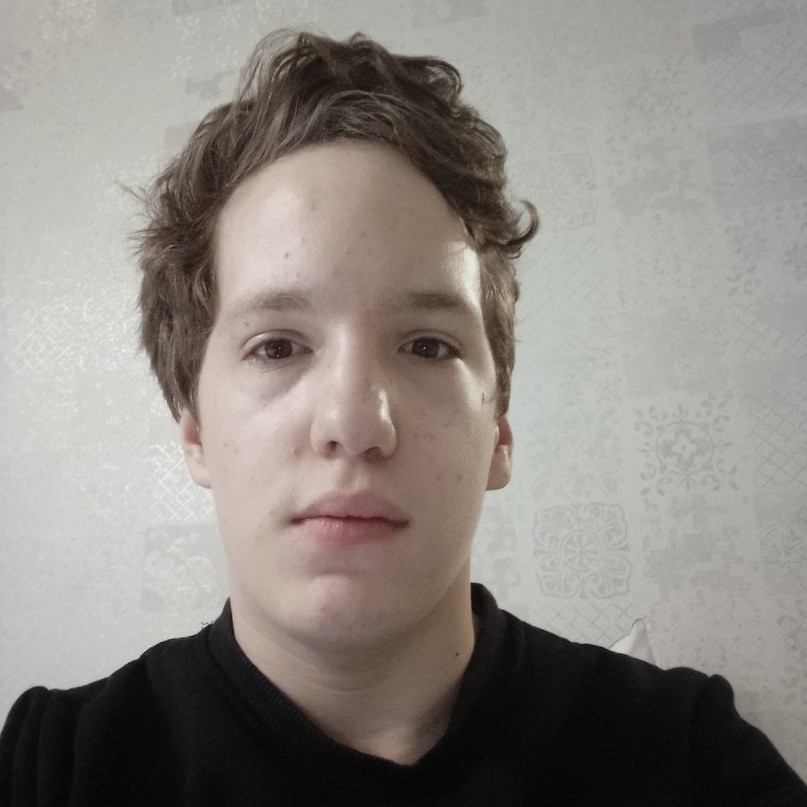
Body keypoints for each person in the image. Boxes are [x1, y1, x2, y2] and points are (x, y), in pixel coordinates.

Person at [1, 30, 805, 806]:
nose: (353, 421)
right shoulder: (52, 764)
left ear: (498, 433)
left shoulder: (686, 750)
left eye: (426, 345)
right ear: (195, 433)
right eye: (276, 346)